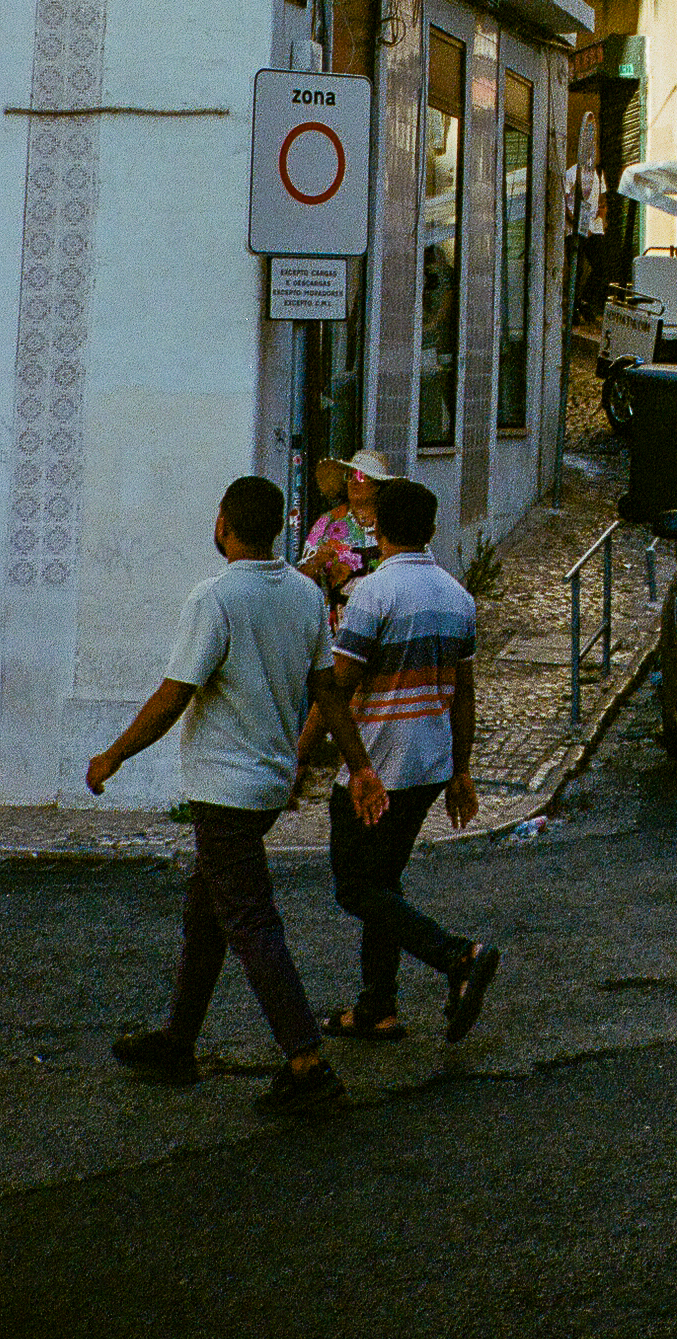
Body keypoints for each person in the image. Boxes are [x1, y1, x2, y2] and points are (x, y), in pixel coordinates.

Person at [86, 472, 385, 1117]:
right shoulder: (304, 597)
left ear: (224, 524)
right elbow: (327, 693)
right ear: (274, 527)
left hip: (224, 788)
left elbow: (176, 692)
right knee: (207, 914)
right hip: (270, 782)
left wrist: (114, 753)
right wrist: (359, 766)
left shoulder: (215, 598)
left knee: (250, 922)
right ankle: (178, 1042)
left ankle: (306, 1063)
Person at [320, 475, 499, 1047]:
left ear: (375, 525)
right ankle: (378, 1007)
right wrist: (462, 770)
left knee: (355, 886)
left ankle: (456, 956)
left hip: (376, 766)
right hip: (430, 765)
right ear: (432, 528)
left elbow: (338, 688)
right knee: (383, 881)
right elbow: (464, 692)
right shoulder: (457, 597)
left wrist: (301, 759)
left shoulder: (372, 594)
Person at [298, 446, 390, 633]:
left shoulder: (392, 523)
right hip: (338, 628)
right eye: (350, 476)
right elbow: (301, 579)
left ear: (377, 485)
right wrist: (316, 562)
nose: (354, 482)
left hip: (385, 626)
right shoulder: (327, 522)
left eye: (362, 476)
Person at [566, 117, 608, 325]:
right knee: (577, 268)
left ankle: (585, 301)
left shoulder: (598, 174)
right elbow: (564, 202)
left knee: (601, 267)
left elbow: (602, 199)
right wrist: (576, 225)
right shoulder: (572, 173)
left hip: (594, 227)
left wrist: (601, 219)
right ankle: (572, 308)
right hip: (574, 229)